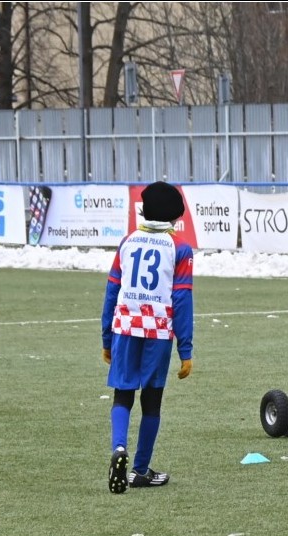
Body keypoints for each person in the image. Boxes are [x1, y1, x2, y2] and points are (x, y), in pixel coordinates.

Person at [101, 181, 194, 494]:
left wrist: (105, 338)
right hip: (157, 331)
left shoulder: (128, 242)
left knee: (122, 394)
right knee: (151, 401)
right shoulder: (179, 248)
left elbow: (112, 290)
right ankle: (139, 470)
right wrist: (186, 348)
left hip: (124, 327)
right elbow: (181, 299)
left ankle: (118, 448)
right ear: (173, 218)